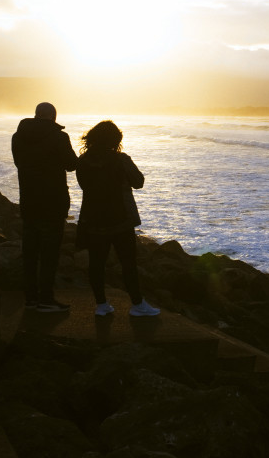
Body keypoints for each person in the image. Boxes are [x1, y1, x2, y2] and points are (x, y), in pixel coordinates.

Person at [76, 120, 159, 317]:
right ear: (114, 140)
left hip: (93, 219)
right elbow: (138, 182)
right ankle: (137, 305)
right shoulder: (121, 160)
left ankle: (101, 305)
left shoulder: (83, 161)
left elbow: (84, 186)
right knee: (128, 263)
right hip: (121, 220)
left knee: (97, 264)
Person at [11, 102, 77, 312]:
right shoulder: (59, 137)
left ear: (37, 115)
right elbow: (71, 164)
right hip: (53, 201)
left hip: (29, 200)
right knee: (49, 253)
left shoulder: (17, 136)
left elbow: (19, 163)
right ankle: (46, 300)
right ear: (53, 116)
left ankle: (30, 298)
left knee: (30, 251)